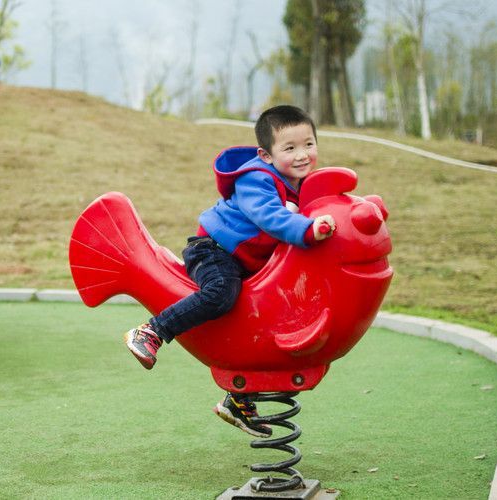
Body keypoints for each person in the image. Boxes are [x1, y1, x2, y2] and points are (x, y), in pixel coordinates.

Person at [123, 105, 337, 438]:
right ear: (266, 155)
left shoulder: (301, 183)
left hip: (246, 260)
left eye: (308, 144)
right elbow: (270, 218)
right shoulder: (257, 179)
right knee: (222, 292)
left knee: (260, 313)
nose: (302, 155)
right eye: (289, 148)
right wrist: (308, 230)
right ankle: (151, 331)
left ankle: (238, 400)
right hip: (214, 250)